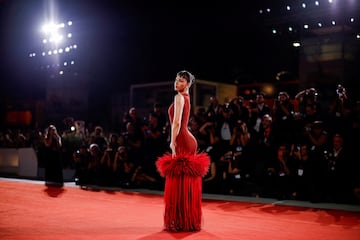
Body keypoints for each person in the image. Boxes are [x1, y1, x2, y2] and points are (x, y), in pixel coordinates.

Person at [156, 70, 210, 232]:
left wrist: (172, 142)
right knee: (185, 183)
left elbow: (177, 123)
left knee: (180, 182)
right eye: (176, 80)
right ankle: (186, 220)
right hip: (188, 139)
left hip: (182, 139)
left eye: (180, 81)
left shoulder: (179, 97)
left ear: (187, 84)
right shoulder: (186, 97)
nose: (176, 83)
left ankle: (182, 220)